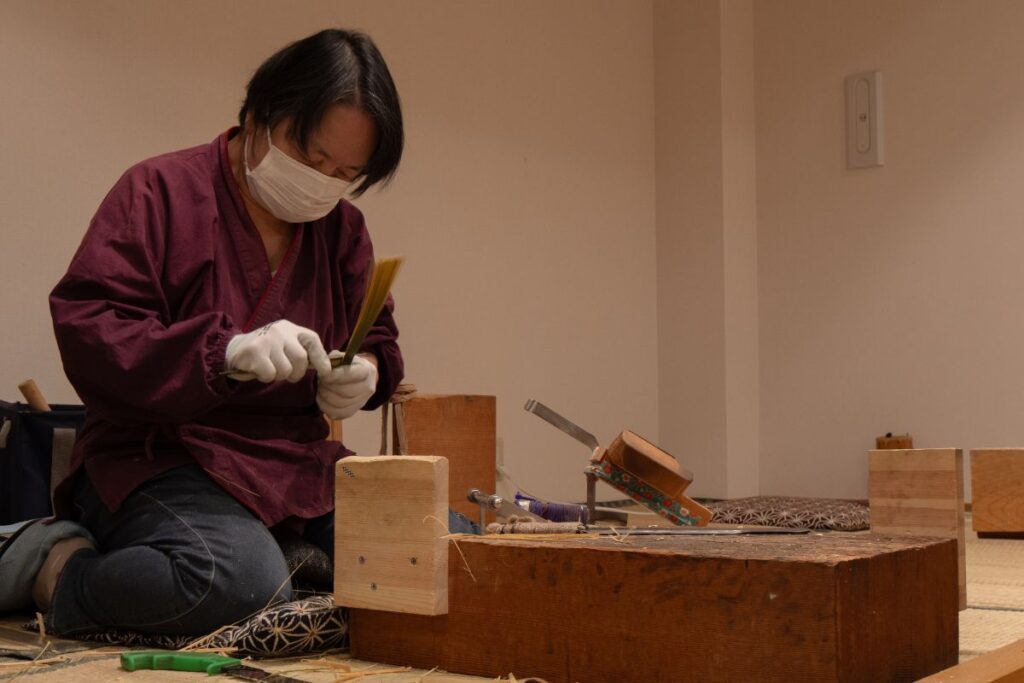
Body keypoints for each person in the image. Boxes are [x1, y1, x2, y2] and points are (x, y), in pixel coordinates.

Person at [0, 28, 409, 637]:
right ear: (258, 117)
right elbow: (91, 328)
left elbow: (375, 333)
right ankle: (58, 569)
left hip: (294, 465)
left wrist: (369, 372)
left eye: (345, 172)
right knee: (235, 580)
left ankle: (284, 565)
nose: (324, 181)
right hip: (164, 456)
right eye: (312, 158)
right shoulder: (158, 192)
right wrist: (226, 353)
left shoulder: (342, 229)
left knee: (436, 543)